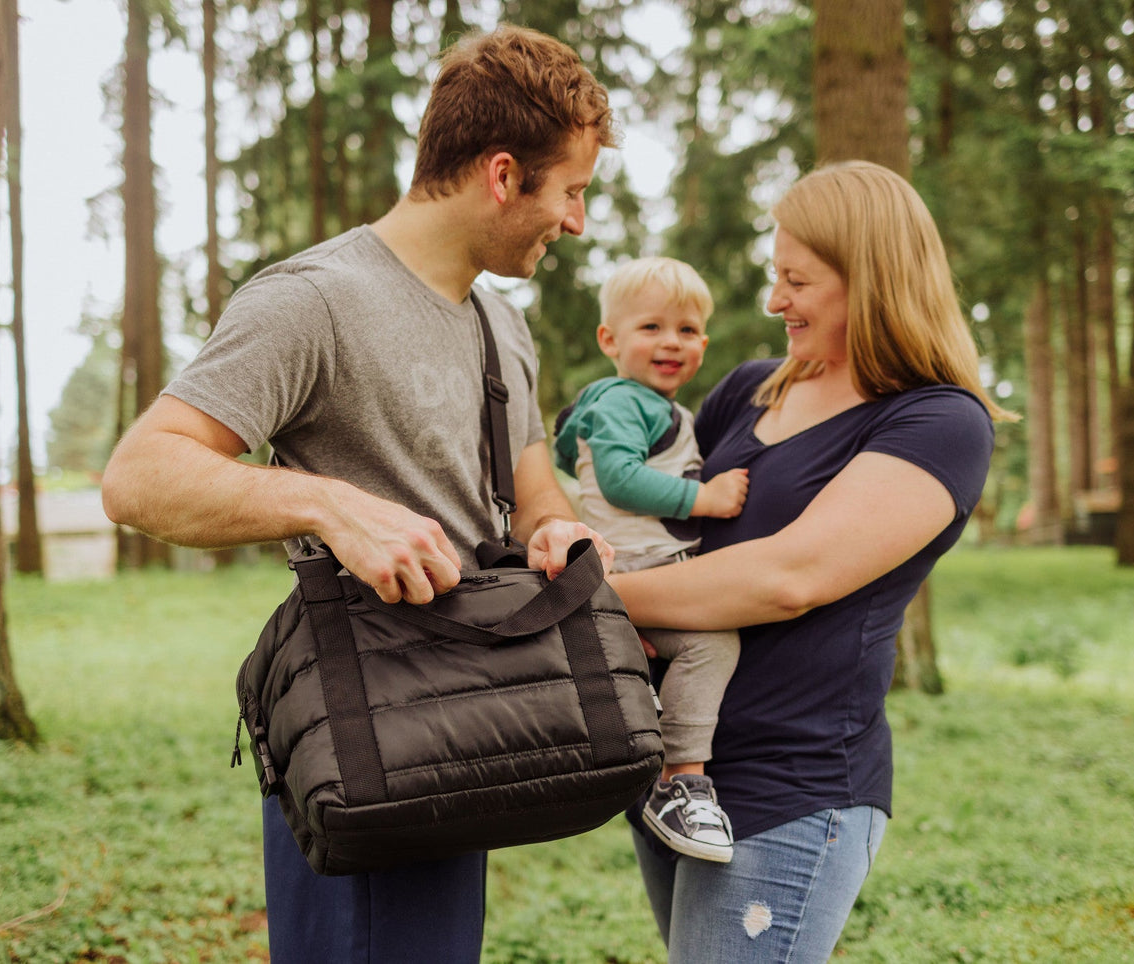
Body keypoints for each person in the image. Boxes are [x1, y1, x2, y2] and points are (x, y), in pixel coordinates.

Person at [101, 25, 617, 964]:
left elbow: (535, 485)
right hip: (369, 729)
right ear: (503, 175)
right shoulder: (312, 299)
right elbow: (138, 477)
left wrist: (558, 535)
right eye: (571, 190)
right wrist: (328, 507)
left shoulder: (502, 321)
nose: (575, 220)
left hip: (474, 718)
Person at [606, 160, 1016, 964]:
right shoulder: (749, 390)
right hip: (672, 771)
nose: (772, 302)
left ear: (871, 281)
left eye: (795, 280)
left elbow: (789, 578)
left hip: (789, 788)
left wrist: (596, 598)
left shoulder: (938, 421)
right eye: (774, 275)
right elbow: (655, 512)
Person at [552, 256, 748, 863]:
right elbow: (617, 480)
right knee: (713, 643)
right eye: (652, 328)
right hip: (638, 568)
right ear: (609, 339)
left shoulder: (656, 407)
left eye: (687, 331)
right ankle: (681, 779)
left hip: (646, 564)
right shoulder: (620, 400)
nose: (672, 342)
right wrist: (705, 499)